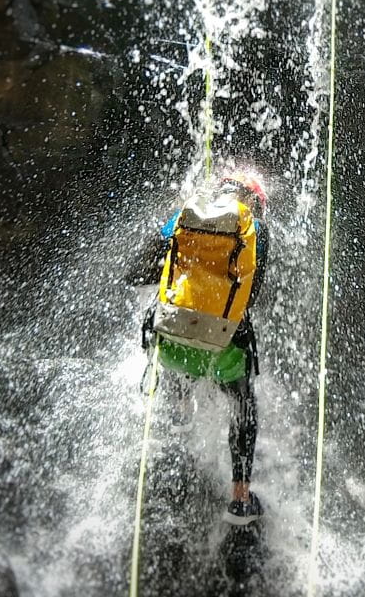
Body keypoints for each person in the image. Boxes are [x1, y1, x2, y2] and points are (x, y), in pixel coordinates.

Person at [139, 167, 270, 525]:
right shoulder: (254, 230)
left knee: (181, 343)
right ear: (254, 202)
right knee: (244, 404)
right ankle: (240, 499)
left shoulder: (184, 217)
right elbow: (251, 296)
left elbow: (141, 271)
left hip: (172, 344)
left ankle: (179, 416)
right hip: (223, 348)